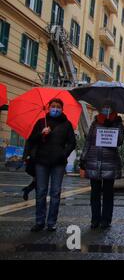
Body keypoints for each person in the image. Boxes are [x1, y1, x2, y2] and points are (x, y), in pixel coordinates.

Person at [27, 98, 76, 232]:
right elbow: (31, 140)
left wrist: (63, 153)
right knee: (41, 192)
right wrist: (41, 133)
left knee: (55, 192)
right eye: (53, 106)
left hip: (58, 163)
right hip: (41, 162)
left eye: (58, 107)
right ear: (48, 108)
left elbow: (72, 143)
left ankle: (51, 222)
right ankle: (39, 221)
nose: (55, 109)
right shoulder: (41, 122)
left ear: (62, 109)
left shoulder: (67, 124)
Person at [80, 102, 124, 230]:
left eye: (109, 107)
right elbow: (88, 141)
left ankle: (106, 220)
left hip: (110, 162)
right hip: (94, 160)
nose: (106, 109)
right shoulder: (95, 123)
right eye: (104, 107)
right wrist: (83, 158)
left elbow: (120, 141)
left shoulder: (118, 123)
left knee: (108, 193)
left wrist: (111, 128)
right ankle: (95, 219)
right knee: (94, 193)